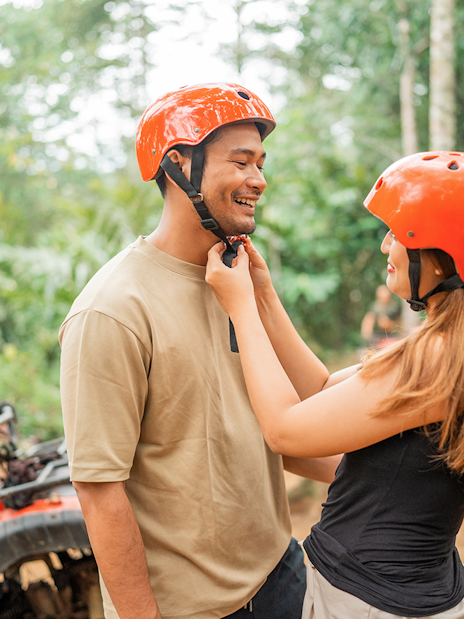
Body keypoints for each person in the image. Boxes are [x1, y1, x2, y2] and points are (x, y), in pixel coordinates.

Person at [59, 83, 334, 619]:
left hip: (281, 575)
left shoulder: (236, 279)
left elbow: (280, 430)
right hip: (193, 610)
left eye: (261, 163)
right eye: (241, 161)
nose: (259, 179)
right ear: (179, 164)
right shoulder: (113, 310)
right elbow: (99, 490)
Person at [205, 150, 464, 618]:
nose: (387, 246)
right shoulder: (447, 350)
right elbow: (323, 390)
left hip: (363, 600)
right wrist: (263, 296)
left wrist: (240, 307)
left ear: (443, 258)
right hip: (411, 594)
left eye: (400, 235)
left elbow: (285, 429)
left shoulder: (435, 360)